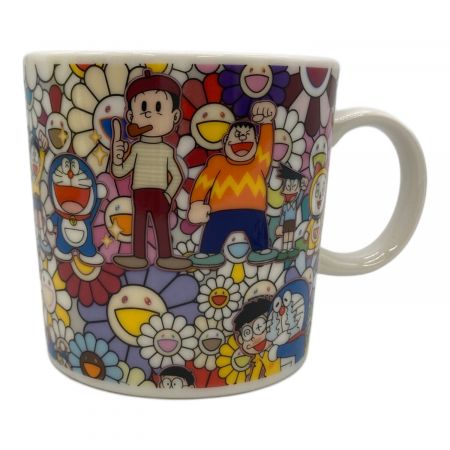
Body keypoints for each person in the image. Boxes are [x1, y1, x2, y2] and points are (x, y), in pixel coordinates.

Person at [111, 70, 192, 271]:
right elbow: (120, 172)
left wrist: (168, 195)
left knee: (161, 225)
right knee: (138, 224)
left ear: (175, 116)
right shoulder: (137, 148)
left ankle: (165, 256)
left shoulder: (166, 150)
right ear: (131, 116)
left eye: (158, 107)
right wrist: (116, 156)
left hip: (159, 194)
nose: (149, 114)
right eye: (143, 108)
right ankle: (138, 256)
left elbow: (177, 176)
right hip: (140, 193)